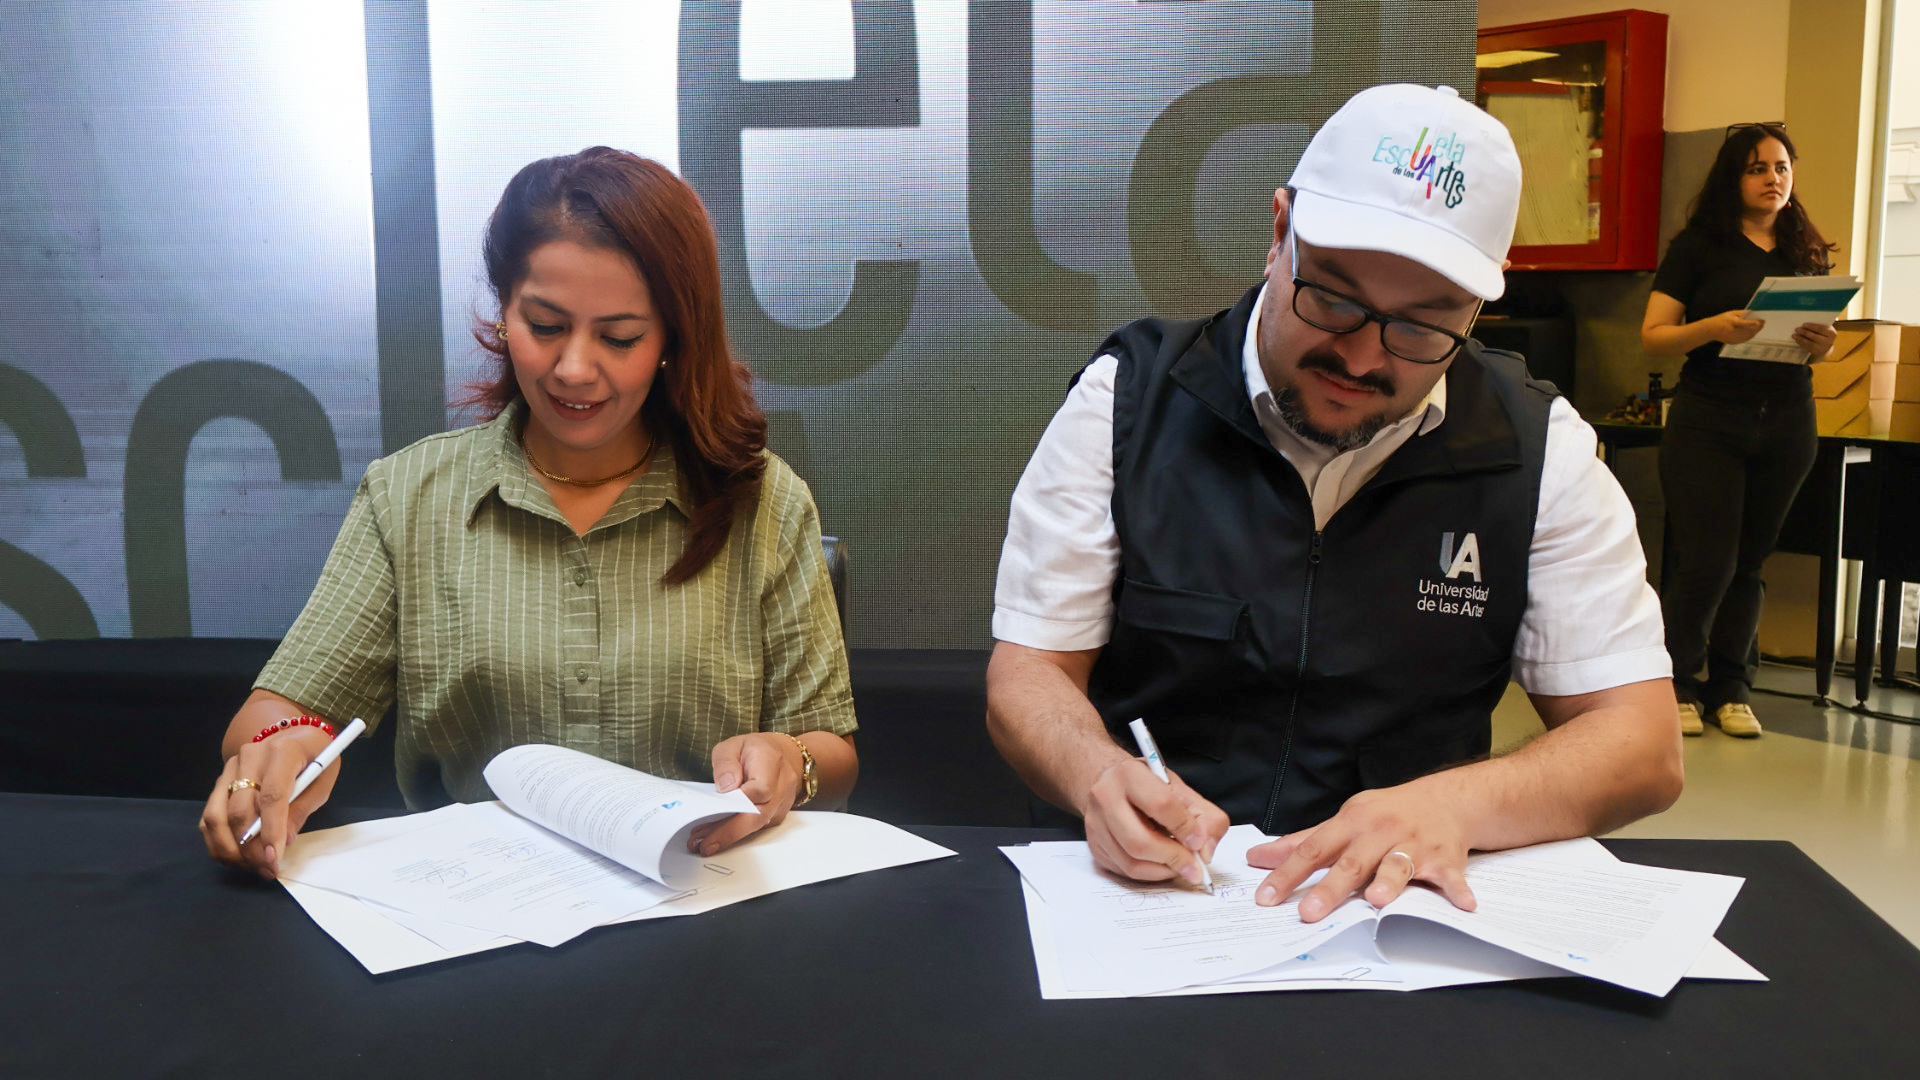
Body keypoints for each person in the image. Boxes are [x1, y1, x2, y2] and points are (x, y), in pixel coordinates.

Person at [987, 84, 1682, 923]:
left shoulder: (1537, 449)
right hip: (1149, 897)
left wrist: (1456, 804)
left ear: (1476, 310)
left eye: (1422, 327)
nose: (1360, 358)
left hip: (1398, 914)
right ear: (1280, 231)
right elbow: (1029, 671)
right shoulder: (1129, 400)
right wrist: (1096, 772)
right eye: (1334, 300)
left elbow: (1644, 746)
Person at [201, 147, 857, 878]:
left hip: (700, 892)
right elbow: (285, 709)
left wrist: (788, 759)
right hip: (473, 903)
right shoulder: (411, 495)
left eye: (620, 337)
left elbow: (830, 750)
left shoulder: (762, 501)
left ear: (673, 338)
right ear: (504, 312)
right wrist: (281, 748)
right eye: (544, 326)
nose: (574, 369)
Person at [1641, 123, 1836, 739]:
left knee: (1750, 562)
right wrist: (1713, 328)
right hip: (1710, 418)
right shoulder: (1699, 247)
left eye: (1782, 167)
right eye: (1758, 169)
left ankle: (1731, 688)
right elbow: (1653, 336)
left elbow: (1820, 344)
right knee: (1707, 562)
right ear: (1734, 178)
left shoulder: (1806, 250)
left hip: (1788, 417)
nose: (1773, 179)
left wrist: (1825, 344)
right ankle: (1676, 684)